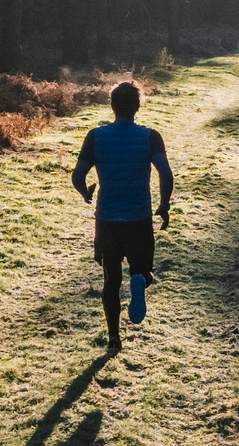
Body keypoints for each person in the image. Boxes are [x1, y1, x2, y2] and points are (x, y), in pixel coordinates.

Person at [71, 81, 172, 351]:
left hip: (107, 221)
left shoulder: (96, 136)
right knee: (143, 270)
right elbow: (165, 172)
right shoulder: (151, 136)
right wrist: (164, 205)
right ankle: (140, 280)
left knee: (111, 280)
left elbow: (78, 176)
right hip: (139, 219)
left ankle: (114, 337)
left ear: (112, 106)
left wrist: (86, 192)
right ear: (137, 107)